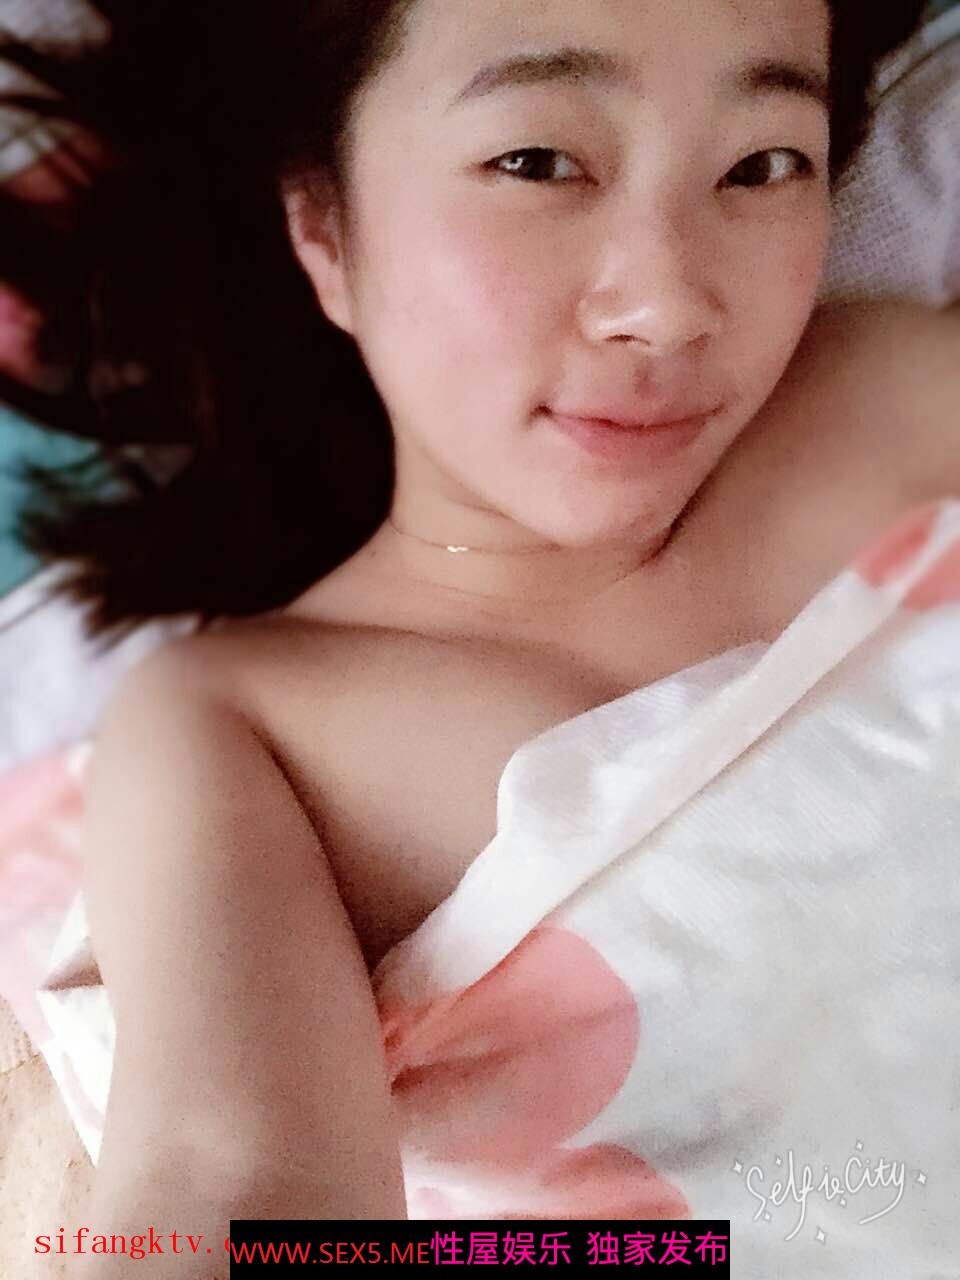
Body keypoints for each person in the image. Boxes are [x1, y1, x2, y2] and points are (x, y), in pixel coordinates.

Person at [2, 0, 955, 1269]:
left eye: (762, 163)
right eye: (538, 162)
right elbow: (231, 1177)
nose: (668, 305)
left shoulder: (895, 396)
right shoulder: (242, 723)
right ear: (324, 224)